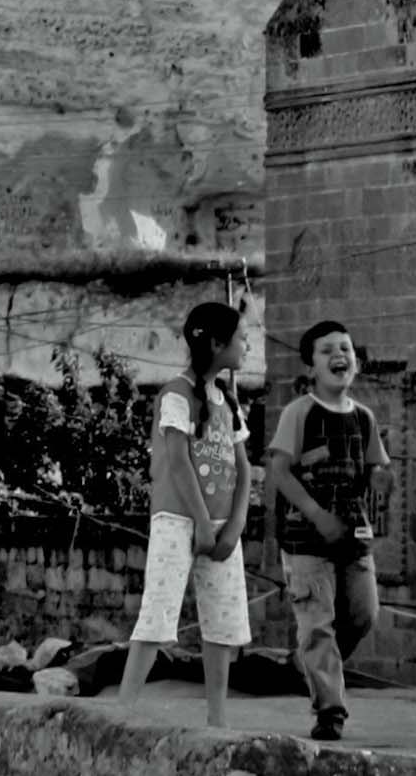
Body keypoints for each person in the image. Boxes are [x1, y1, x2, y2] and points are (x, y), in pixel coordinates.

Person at [121, 298, 253, 729]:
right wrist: (199, 521)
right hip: (178, 518)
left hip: (220, 524)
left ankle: (217, 717)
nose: (247, 345)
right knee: (157, 613)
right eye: (241, 338)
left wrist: (234, 525)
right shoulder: (175, 394)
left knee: (223, 624)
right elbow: (178, 461)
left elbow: (244, 468)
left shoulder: (228, 401)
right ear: (217, 344)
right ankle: (121, 712)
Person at [268, 317, 391, 744]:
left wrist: (380, 476)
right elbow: (280, 471)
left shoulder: (364, 417)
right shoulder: (298, 412)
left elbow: (378, 465)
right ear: (311, 368)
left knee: (362, 614)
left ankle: (313, 663)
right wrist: (317, 513)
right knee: (317, 624)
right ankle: (329, 709)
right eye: (328, 350)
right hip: (305, 538)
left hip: (353, 535)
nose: (340, 355)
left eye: (346, 348)